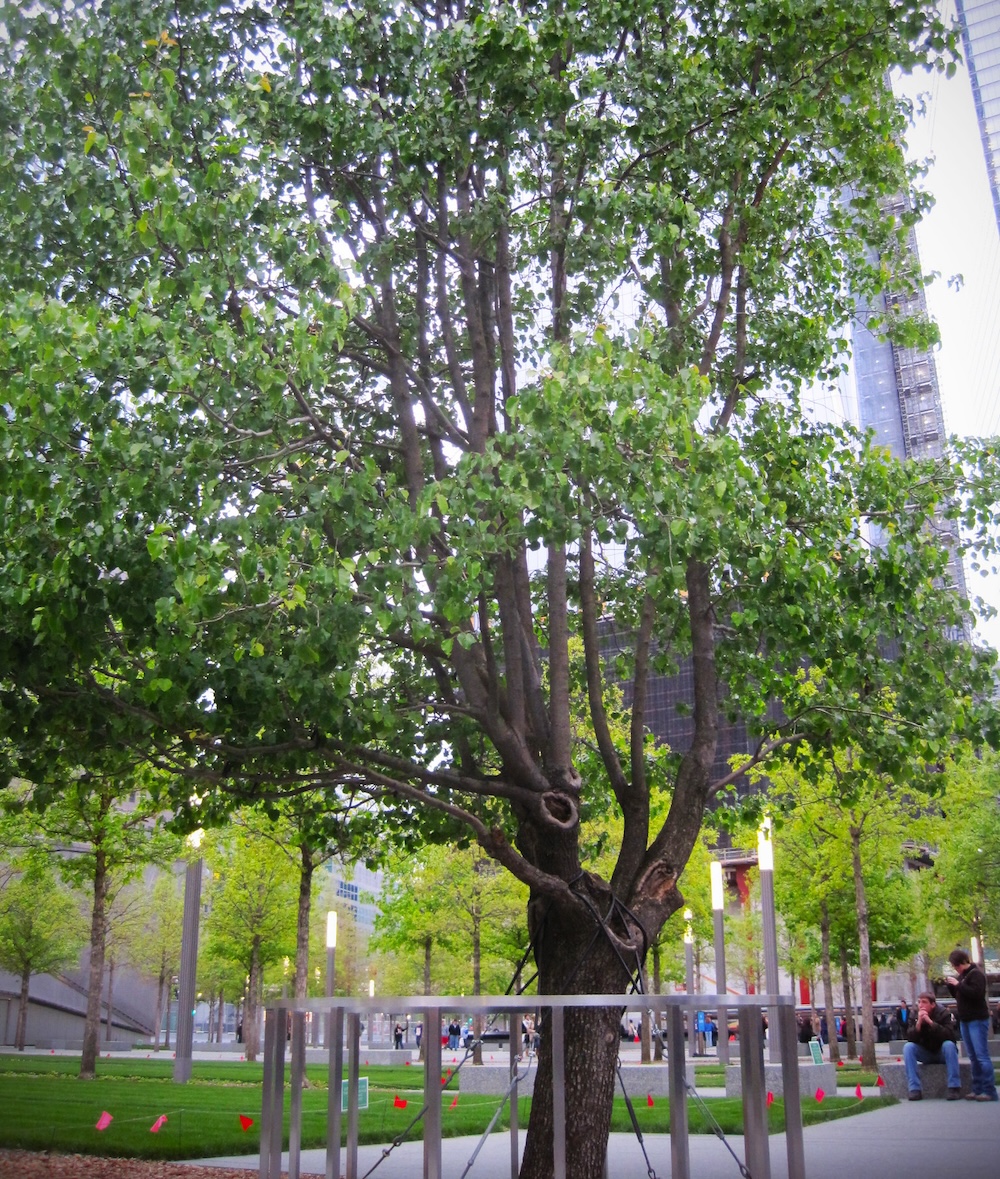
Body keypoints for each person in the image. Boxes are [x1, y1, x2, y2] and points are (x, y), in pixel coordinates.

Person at [946, 948, 999, 1102]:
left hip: (977, 1018)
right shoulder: (962, 976)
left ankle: (989, 1090)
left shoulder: (976, 974)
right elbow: (959, 995)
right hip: (965, 1019)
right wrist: (952, 986)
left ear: (962, 962)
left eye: (956, 965)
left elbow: (976, 994)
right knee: (973, 1057)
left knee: (981, 1056)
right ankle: (978, 1088)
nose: (956, 969)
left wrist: (958, 984)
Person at [903, 991, 961, 1101]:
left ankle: (954, 1087)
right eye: (919, 1002)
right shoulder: (914, 1014)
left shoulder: (943, 1013)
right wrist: (919, 1023)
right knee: (908, 1047)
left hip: (941, 1052)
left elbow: (949, 1036)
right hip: (925, 1053)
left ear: (933, 1004)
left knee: (949, 1045)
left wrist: (930, 1022)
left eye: (924, 1002)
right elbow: (910, 1037)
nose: (920, 1005)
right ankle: (914, 1089)